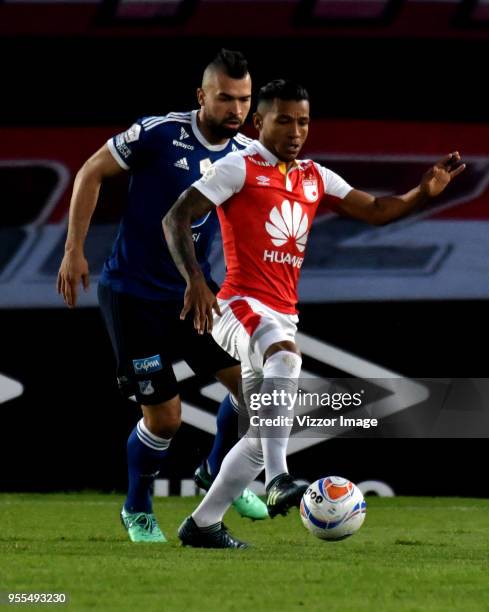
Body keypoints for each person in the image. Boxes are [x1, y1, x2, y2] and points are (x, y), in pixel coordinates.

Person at [163, 79, 466, 548]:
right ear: (258, 122)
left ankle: (202, 524)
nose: (296, 130)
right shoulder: (237, 168)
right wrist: (195, 280)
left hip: (280, 313)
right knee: (286, 358)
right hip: (238, 305)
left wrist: (424, 191)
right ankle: (281, 479)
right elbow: (176, 216)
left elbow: (379, 209)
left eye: (303, 120)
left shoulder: (314, 176)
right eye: (284, 119)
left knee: (260, 433)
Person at [56, 49, 269, 544]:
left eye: (244, 99)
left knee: (255, 391)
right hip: (132, 295)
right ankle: (137, 509)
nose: (236, 110)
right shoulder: (158, 133)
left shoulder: (246, 154)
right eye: (225, 98)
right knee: (166, 419)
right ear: (201, 96)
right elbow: (90, 172)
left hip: (194, 291)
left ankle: (217, 471)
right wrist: (74, 249)